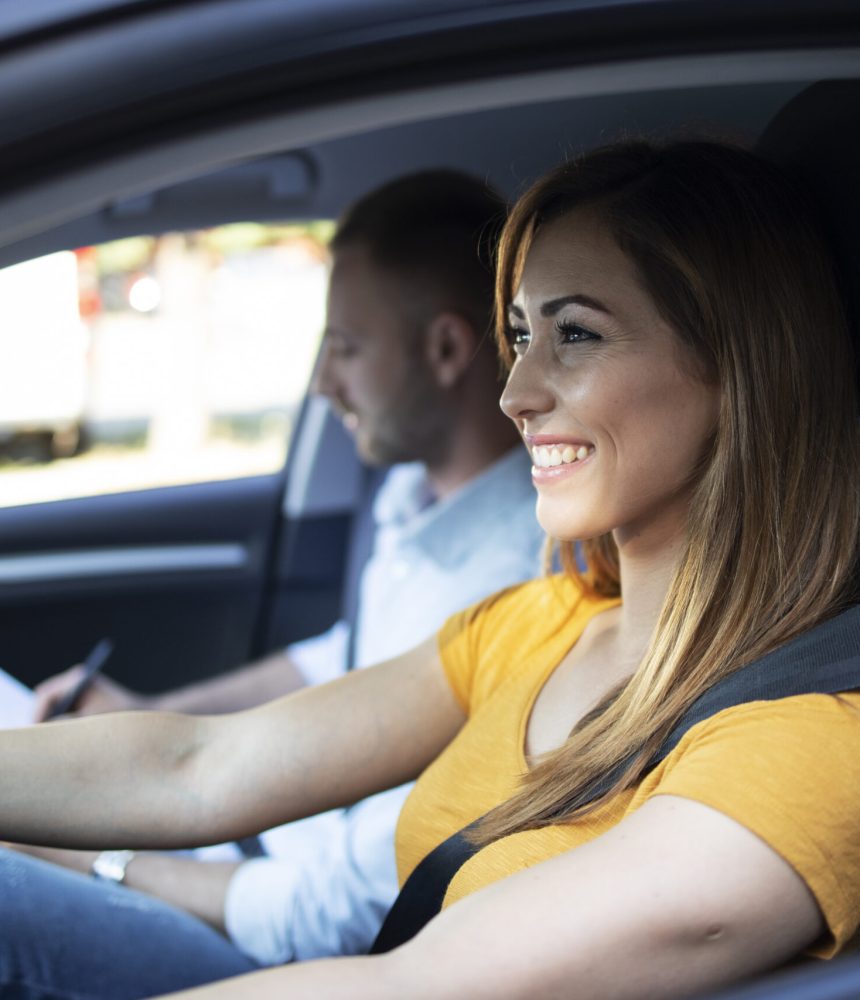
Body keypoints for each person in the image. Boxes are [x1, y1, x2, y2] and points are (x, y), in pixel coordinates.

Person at [0, 140, 860, 1000]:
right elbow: (201, 766)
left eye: (576, 334)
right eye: (523, 335)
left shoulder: (836, 741)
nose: (516, 392)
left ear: (740, 367)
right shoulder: (540, 622)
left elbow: (415, 989)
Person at [15, 170, 542, 970]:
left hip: (286, 946)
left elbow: (338, 913)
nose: (324, 383)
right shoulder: (412, 499)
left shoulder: (512, 583)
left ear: (445, 348)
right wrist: (154, 708)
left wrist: (97, 859)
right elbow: (345, 657)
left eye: (345, 348)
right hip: (247, 860)